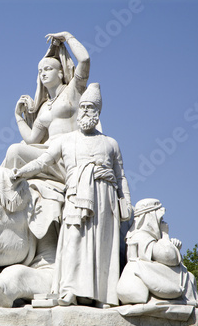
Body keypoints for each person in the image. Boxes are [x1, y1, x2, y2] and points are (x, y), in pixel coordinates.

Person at [12, 83, 132, 308]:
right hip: (77, 196)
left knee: (102, 245)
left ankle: (103, 296)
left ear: (98, 113)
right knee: (73, 241)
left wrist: (126, 201)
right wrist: (21, 172)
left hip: (105, 199)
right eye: (83, 107)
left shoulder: (111, 143)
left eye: (91, 108)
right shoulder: (67, 140)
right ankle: (68, 291)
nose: (86, 111)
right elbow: (42, 161)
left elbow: (121, 176)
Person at [2, 31, 92, 182]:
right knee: (15, 151)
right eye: (40, 71)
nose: (43, 74)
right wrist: (18, 117)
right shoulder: (44, 107)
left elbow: (84, 60)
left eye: (48, 69)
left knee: (14, 151)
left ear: (61, 73)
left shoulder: (73, 90)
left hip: (67, 154)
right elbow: (32, 141)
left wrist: (67, 36)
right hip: (47, 154)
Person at [117, 198, 198, 306]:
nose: (162, 222)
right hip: (143, 273)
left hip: (150, 270)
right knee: (187, 277)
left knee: (188, 276)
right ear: (150, 217)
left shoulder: (143, 235)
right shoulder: (140, 236)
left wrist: (171, 245)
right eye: (160, 218)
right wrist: (165, 235)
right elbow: (170, 258)